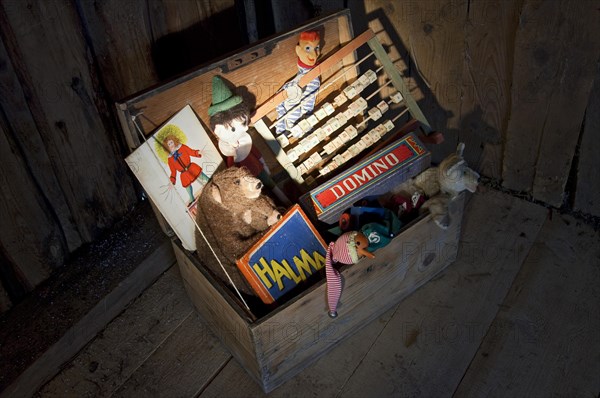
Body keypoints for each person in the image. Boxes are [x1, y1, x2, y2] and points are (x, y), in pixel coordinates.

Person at [275, 30, 322, 136]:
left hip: (305, 128)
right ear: (298, 50)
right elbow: (279, 103)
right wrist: (280, 130)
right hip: (292, 128)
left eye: (317, 48)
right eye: (308, 48)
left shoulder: (313, 76)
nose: (314, 54)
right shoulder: (294, 83)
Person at [164, 134, 207, 205]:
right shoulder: (170, 158)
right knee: (187, 185)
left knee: (203, 177)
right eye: (169, 144)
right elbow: (173, 171)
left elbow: (191, 152)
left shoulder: (182, 147)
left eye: (171, 142)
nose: (171, 144)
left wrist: (198, 152)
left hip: (191, 167)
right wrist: (172, 181)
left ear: (174, 141)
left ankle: (211, 181)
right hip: (183, 173)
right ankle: (191, 198)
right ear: (167, 146)